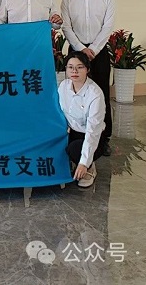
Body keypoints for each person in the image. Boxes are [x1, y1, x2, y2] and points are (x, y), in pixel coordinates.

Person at [60, 0, 116, 155]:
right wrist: (81, 49)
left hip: (98, 52)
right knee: (73, 93)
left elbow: (107, 27)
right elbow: (66, 27)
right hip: (76, 52)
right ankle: (75, 134)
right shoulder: (67, 0)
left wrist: (93, 49)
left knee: (102, 93)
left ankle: (104, 138)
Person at [58, 51, 106, 188]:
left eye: (80, 67)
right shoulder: (63, 86)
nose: (74, 71)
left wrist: (84, 163)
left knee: (74, 149)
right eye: (70, 67)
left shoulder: (95, 94)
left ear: (87, 69)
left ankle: (89, 167)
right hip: (71, 131)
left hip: (91, 135)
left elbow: (93, 131)